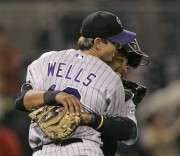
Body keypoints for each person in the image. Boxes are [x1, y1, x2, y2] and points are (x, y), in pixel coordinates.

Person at [15, 11, 141, 156]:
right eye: (114, 42)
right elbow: (116, 135)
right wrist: (92, 119)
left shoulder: (47, 59)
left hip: (42, 151)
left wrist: (54, 96)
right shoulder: (110, 78)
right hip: (84, 150)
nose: (118, 47)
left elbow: (20, 101)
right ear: (98, 43)